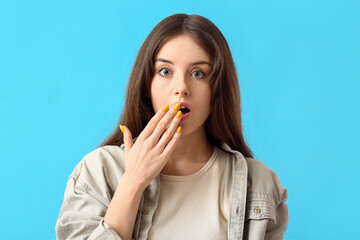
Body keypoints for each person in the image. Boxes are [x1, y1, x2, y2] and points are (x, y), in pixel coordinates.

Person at [55, 13, 288, 240]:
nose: (181, 88)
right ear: (147, 84)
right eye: (165, 71)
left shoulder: (259, 183)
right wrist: (132, 182)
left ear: (217, 88)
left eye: (198, 73)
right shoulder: (98, 171)